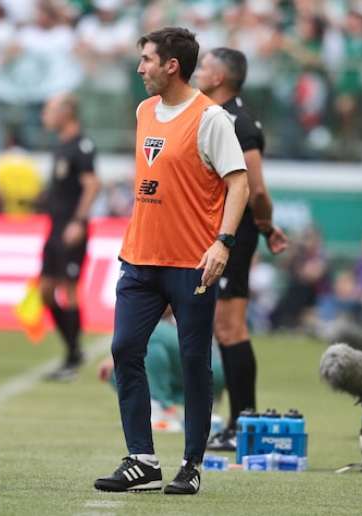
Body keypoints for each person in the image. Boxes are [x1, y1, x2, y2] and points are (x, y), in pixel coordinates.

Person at [94, 27, 249, 495]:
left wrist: (222, 243)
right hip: (139, 258)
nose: (140, 68)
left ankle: (191, 463)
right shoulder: (144, 111)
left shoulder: (211, 119)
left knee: (193, 359)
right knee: (124, 350)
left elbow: (238, 183)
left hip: (191, 263)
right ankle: (141, 458)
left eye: (146, 60)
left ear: (171, 66)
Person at [194, 46, 289, 452]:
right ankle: (239, 422)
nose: (198, 72)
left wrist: (265, 225)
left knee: (231, 326)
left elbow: (256, 188)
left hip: (235, 232)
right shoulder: (215, 116)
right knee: (224, 327)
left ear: (219, 78)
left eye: (204, 66)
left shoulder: (239, 123)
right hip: (221, 229)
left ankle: (243, 423)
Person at [38, 92, 100, 382]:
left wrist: (79, 221)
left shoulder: (81, 146)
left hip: (71, 228)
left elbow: (92, 185)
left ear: (67, 113)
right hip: (55, 227)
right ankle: (74, 351)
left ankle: (72, 357)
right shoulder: (60, 146)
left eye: (50, 110)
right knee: (46, 291)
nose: (45, 116)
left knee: (70, 289)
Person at [97, 308, 226, 433]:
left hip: (209, 362)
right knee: (119, 367)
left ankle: (162, 408)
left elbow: (163, 305)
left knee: (147, 329)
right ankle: (177, 411)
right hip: (186, 363)